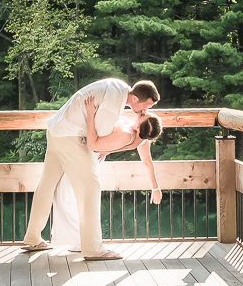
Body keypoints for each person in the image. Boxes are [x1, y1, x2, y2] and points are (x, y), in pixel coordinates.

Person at [21, 78, 160, 260]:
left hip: (56, 130)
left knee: (47, 184)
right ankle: (93, 248)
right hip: (70, 136)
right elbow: (96, 142)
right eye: (145, 107)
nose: (145, 111)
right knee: (91, 187)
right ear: (135, 99)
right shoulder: (113, 105)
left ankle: (33, 238)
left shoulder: (116, 86)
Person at [51, 106, 163, 250]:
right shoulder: (139, 135)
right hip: (90, 154)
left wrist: (107, 150)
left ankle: (81, 240)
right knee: (65, 193)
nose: (144, 112)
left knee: (66, 194)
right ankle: (79, 239)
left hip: (91, 156)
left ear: (138, 126)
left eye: (144, 116)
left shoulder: (132, 136)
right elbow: (145, 161)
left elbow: (146, 161)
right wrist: (155, 188)